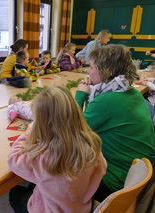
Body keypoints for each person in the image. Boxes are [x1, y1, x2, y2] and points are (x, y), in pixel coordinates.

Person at [75, 44, 155, 202]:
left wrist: (80, 96)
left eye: (91, 67)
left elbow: (70, 131)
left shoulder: (107, 100)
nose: (87, 71)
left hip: (115, 181)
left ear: (105, 71)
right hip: (138, 173)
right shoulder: (130, 91)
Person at [8, 86, 107, 213]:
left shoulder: (43, 158)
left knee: (15, 193)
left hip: (49, 210)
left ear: (43, 125)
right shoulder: (92, 144)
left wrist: (29, 134)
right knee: (35, 185)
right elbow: (102, 169)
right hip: (82, 206)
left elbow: (13, 158)